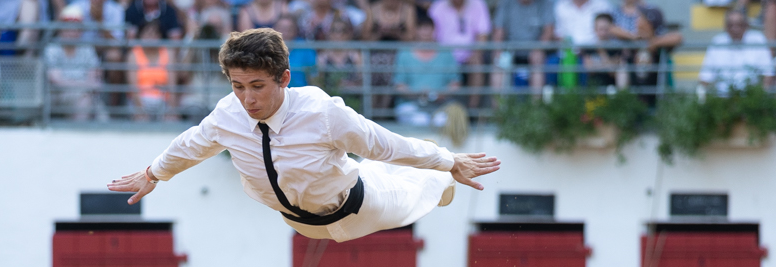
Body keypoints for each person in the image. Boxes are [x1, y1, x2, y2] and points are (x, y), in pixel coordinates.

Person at [107, 28, 500, 243]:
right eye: (238, 86)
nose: (247, 99)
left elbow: (385, 144)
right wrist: (153, 173)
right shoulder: (227, 113)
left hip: (361, 207)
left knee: (415, 186)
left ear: (284, 79)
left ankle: (444, 177)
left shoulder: (321, 111)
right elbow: (191, 145)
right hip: (299, 222)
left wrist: (450, 162)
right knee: (371, 166)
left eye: (257, 86)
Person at [394, 11, 461, 124]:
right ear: (415, 30)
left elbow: (455, 84)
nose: (425, 32)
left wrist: (440, 94)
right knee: (420, 120)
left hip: (441, 105)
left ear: (434, 30)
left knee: (442, 121)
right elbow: (399, 85)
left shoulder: (446, 54)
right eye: (421, 28)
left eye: (428, 28)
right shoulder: (404, 54)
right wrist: (417, 94)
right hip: (410, 105)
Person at [429, 0, 492, 113]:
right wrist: (441, 57)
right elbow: (430, 36)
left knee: (477, 63)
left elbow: (482, 35)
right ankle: (436, 109)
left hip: (470, 57)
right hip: (443, 56)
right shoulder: (438, 6)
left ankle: (472, 111)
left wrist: (476, 53)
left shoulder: (478, 4)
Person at [46, 4, 104, 120]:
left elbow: (94, 77)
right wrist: (84, 85)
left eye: (76, 28)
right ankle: (80, 130)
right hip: (56, 96)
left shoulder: (87, 49)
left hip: (83, 94)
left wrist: (85, 86)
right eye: (68, 27)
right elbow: (57, 81)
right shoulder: (52, 49)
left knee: (103, 115)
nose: (72, 32)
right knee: (84, 98)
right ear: (61, 29)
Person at [697, 11, 774, 94]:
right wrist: (701, 97)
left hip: (751, 96)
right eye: (731, 25)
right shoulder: (717, 42)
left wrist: (762, 96)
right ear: (725, 27)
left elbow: (768, 73)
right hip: (723, 96)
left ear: (746, 26)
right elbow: (705, 77)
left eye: (739, 25)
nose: (735, 29)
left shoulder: (757, 40)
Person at [491, 0, 556, 97]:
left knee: (538, 63)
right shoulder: (506, 3)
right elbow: (499, 31)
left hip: (535, 51)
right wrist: (498, 50)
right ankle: (499, 106)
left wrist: (539, 49)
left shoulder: (544, 3)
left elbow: (548, 31)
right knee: (498, 64)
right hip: (510, 51)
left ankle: (536, 105)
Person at [128, 20, 175, 120]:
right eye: (148, 34)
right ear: (141, 36)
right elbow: (133, 88)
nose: (151, 37)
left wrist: (172, 110)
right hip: (141, 100)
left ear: (160, 36)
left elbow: (172, 86)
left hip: (163, 100)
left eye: (155, 34)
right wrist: (141, 110)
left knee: (172, 120)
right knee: (141, 121)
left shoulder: (168, 53)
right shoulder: (133, 54)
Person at [316, 15, 364, 109]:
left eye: (343, 31)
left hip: (352, 101)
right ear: (329, 34)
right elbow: (319, 83)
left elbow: (362, 81)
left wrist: (348, 85)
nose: (338, 35)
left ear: (348, 34)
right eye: (334, 30)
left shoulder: (355, 56)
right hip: (329, 102)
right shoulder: (322, 58)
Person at [583, 11, 627, 86]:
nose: (603, 33)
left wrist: (602, 52)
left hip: (611, 85)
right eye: (600, 29)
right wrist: (608, 64)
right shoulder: (589, 48)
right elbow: (590, 70)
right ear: (595, 29)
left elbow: (612, 72)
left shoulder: (616, 48)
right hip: (594, 86)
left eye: (606, 29)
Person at [274, 15, 317, 86]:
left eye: (289, 29)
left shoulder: (306, 48)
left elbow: (313, 77)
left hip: (300, 90)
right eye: (281, 29)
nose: (285, 33)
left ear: (295, 31)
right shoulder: (267, 48)